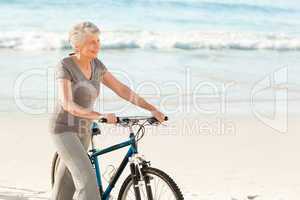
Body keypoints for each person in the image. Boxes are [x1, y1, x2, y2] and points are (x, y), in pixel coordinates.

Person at [49, 21, 166, 200]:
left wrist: (153, 109)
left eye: (98, 41)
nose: (97, 46)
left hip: (84, 129)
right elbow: (67, 104)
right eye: (91, 42)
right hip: (64, 129)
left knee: (67, 184)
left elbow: (122, 90)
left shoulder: (97, 66)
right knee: (88, 184)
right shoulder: (65, 65)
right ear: (78, 45)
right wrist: (100, 116)